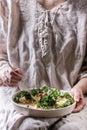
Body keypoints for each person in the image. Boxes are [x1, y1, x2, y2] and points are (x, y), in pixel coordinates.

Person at [0, 0, 87, 129]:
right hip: (17, 97)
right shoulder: (8, 4)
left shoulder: (83, 8)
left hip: (71, 99)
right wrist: (5, 72)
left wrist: (79, 88)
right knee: (28, 127)